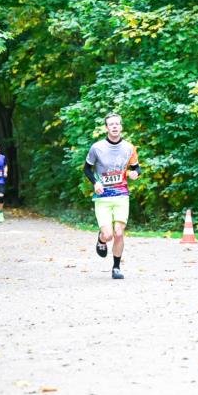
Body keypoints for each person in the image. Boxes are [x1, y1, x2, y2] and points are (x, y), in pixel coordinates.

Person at [83, 113, 140, 279]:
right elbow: (87, 168)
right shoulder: (97, 148)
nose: (114, 127)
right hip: (102, 197)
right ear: (106, 128)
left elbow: (137, 168)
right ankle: (101, 240)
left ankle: (116, 268)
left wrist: (135, 173)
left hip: (122, 194)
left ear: (121, 127)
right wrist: (95, 182)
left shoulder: (129, 147)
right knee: (108, 235)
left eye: (117, 124)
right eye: (111, 124)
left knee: (119, 233)